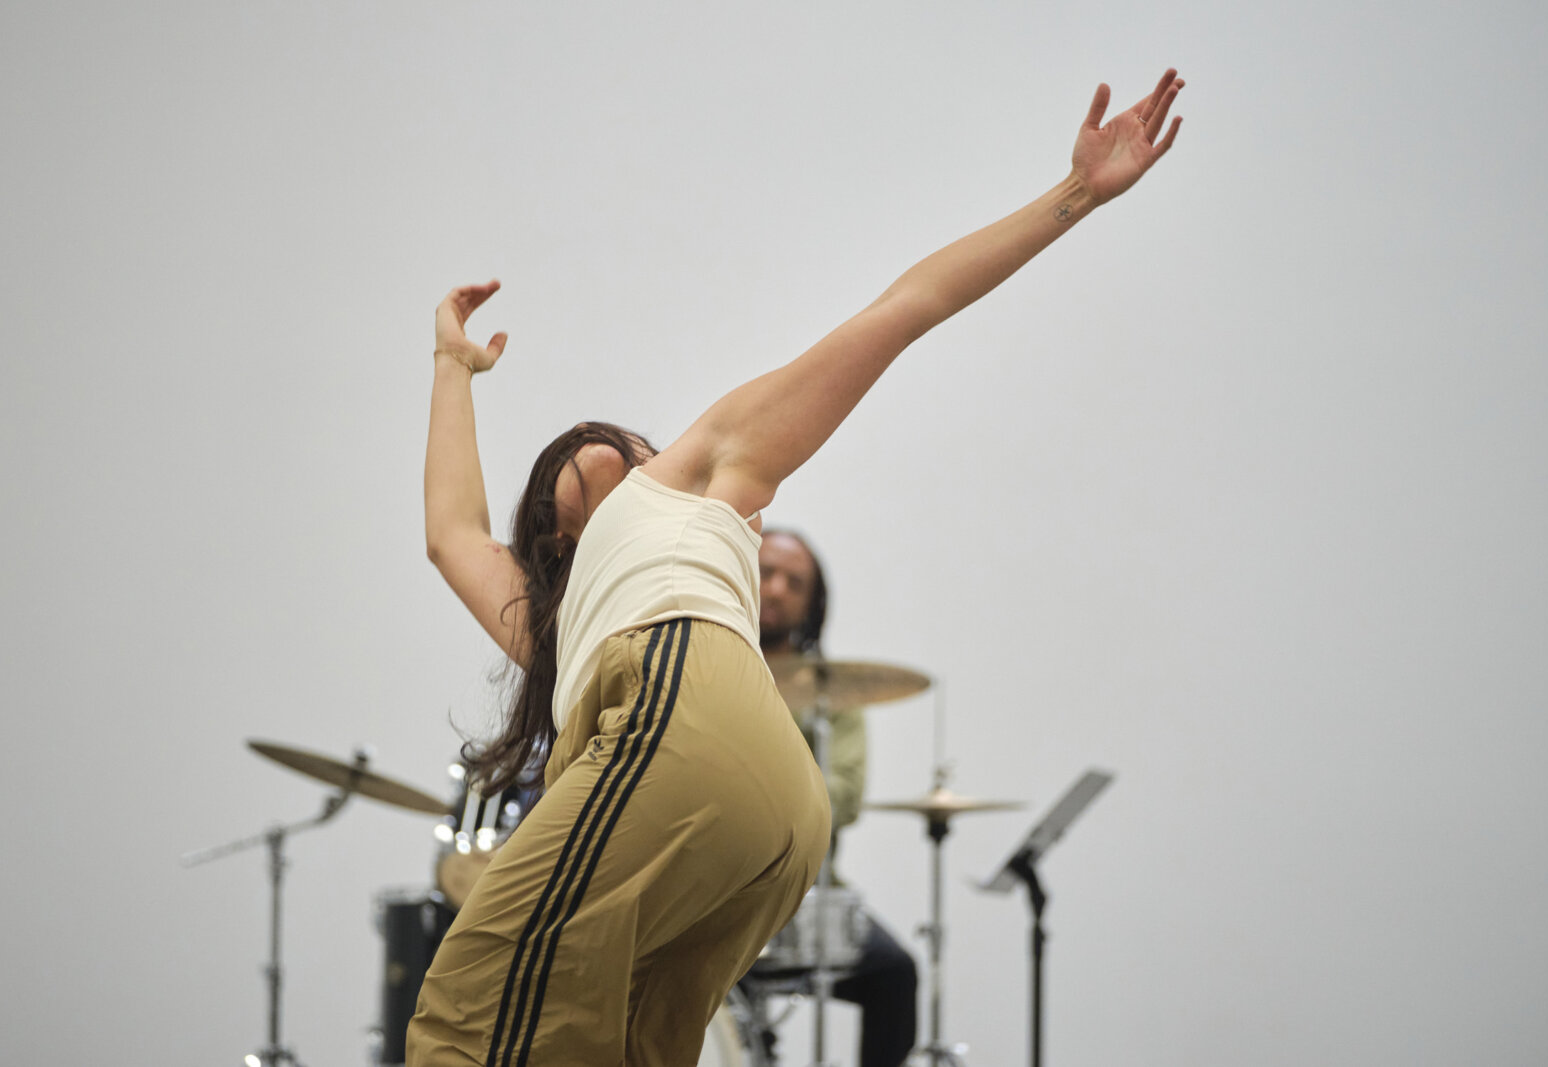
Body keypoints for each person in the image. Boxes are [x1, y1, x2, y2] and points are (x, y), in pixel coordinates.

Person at [411, 69, 1185, 1066]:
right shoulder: (559, 624)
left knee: (472, 1001)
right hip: (771, 814)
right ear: (552, 548)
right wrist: (450, 365)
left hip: (680, 731)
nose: (582, 453)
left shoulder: (694, 475)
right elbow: (449, 532)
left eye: (602, 446)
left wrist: (1070, 196)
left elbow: (899, 310)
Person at [755, 528, 919, 1067]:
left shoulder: (833, 693)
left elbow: (844, 798)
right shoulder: (700, 665)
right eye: (764, 571)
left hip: (805, 898)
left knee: (895, 972)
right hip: (714, 891)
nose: (775, 589)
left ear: (811, 604)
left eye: (794, 582)